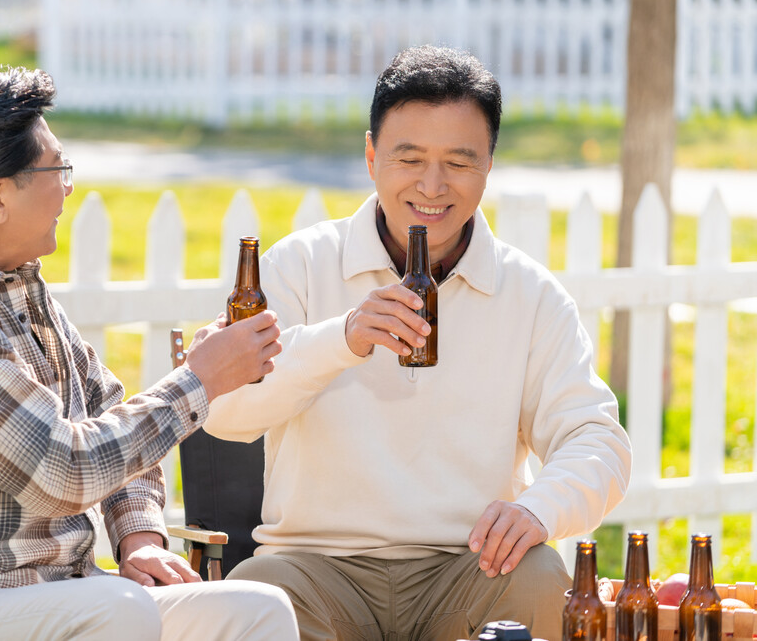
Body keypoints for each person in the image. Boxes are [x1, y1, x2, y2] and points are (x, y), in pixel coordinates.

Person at [0, 68, 297, 641]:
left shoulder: (16, 285)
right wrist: (200, 380)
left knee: (257, 609)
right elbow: (64, 469)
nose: (69, 187)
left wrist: (137, 535)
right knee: (117, 609)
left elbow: (115, 416)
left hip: (59, 596)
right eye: (57, 168)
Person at [204, 45, 632, 641]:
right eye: (409, 159)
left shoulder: (531, 293)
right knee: (253, 597)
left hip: (471, 568)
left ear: (489, 164)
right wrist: (344, 338)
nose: (433, 185)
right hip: (314, 567)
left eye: (460, 161)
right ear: (372, 156)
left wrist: (539, 509)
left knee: (541, 581)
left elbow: (598, 440)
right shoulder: (299, 266)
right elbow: (226, 415)